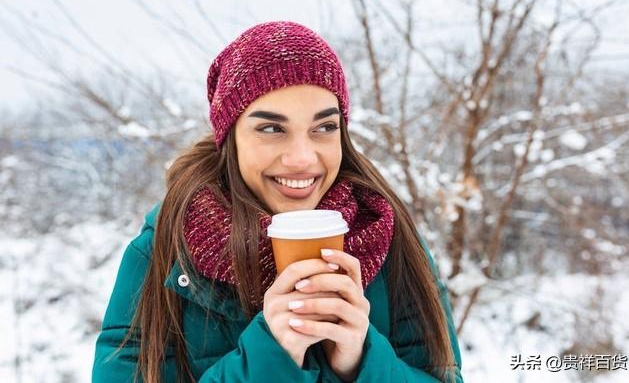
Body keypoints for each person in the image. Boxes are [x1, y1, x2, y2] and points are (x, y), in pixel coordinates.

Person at [92, 20, 464, 382]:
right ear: (230, 137)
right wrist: (268, 357)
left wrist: (360, 363)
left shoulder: (387, 235)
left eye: (324, 127)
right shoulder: (167, 249)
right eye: (272, 129)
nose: (302, 158)